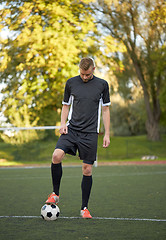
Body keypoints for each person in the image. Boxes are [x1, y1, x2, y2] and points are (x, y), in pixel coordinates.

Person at [45, 57, 111, 218]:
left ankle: (84, 208)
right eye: (82, 74)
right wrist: (62, 124)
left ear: (93, 70)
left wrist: (107, 133)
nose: (84, 77)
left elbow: (106, 110)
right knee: (56, 156)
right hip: (72, 129)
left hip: (90, 134)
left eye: (87, 74)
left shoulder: (102, 85)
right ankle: (55, 193)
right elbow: (65, 105)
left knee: (87, 170)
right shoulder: (71, 83)